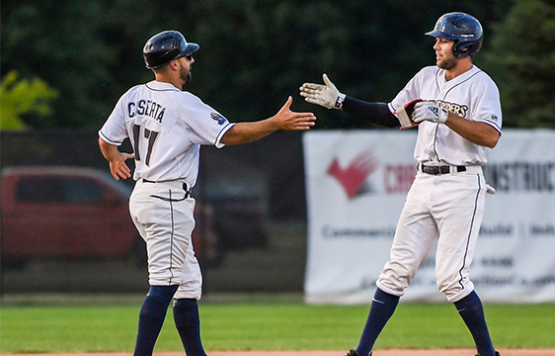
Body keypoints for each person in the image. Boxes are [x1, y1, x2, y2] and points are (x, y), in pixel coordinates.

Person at [98, 30, 316, 356]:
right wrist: (274, 123)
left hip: (144, 195)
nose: (191, 60)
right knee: (164, 283)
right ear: (173, 64)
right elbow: (230, 135)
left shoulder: (132, 96)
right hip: (166, 198)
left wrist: (113, 157)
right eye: (186, 56)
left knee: (186, 285)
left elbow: (106, 139)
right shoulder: (183, 103)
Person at [299, 12, 501, 356]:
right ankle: (361, 352)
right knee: (395, 271)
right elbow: (392, 116)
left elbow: (491, 136)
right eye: (437, 39)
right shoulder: (426, 77)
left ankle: (488, 354)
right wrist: (342, 102)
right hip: (424, 180)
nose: (436, 45)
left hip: (461, 183)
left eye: (443, 39)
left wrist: (446, 116)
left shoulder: (482, 85)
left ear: (464, 45)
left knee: (451, 279)